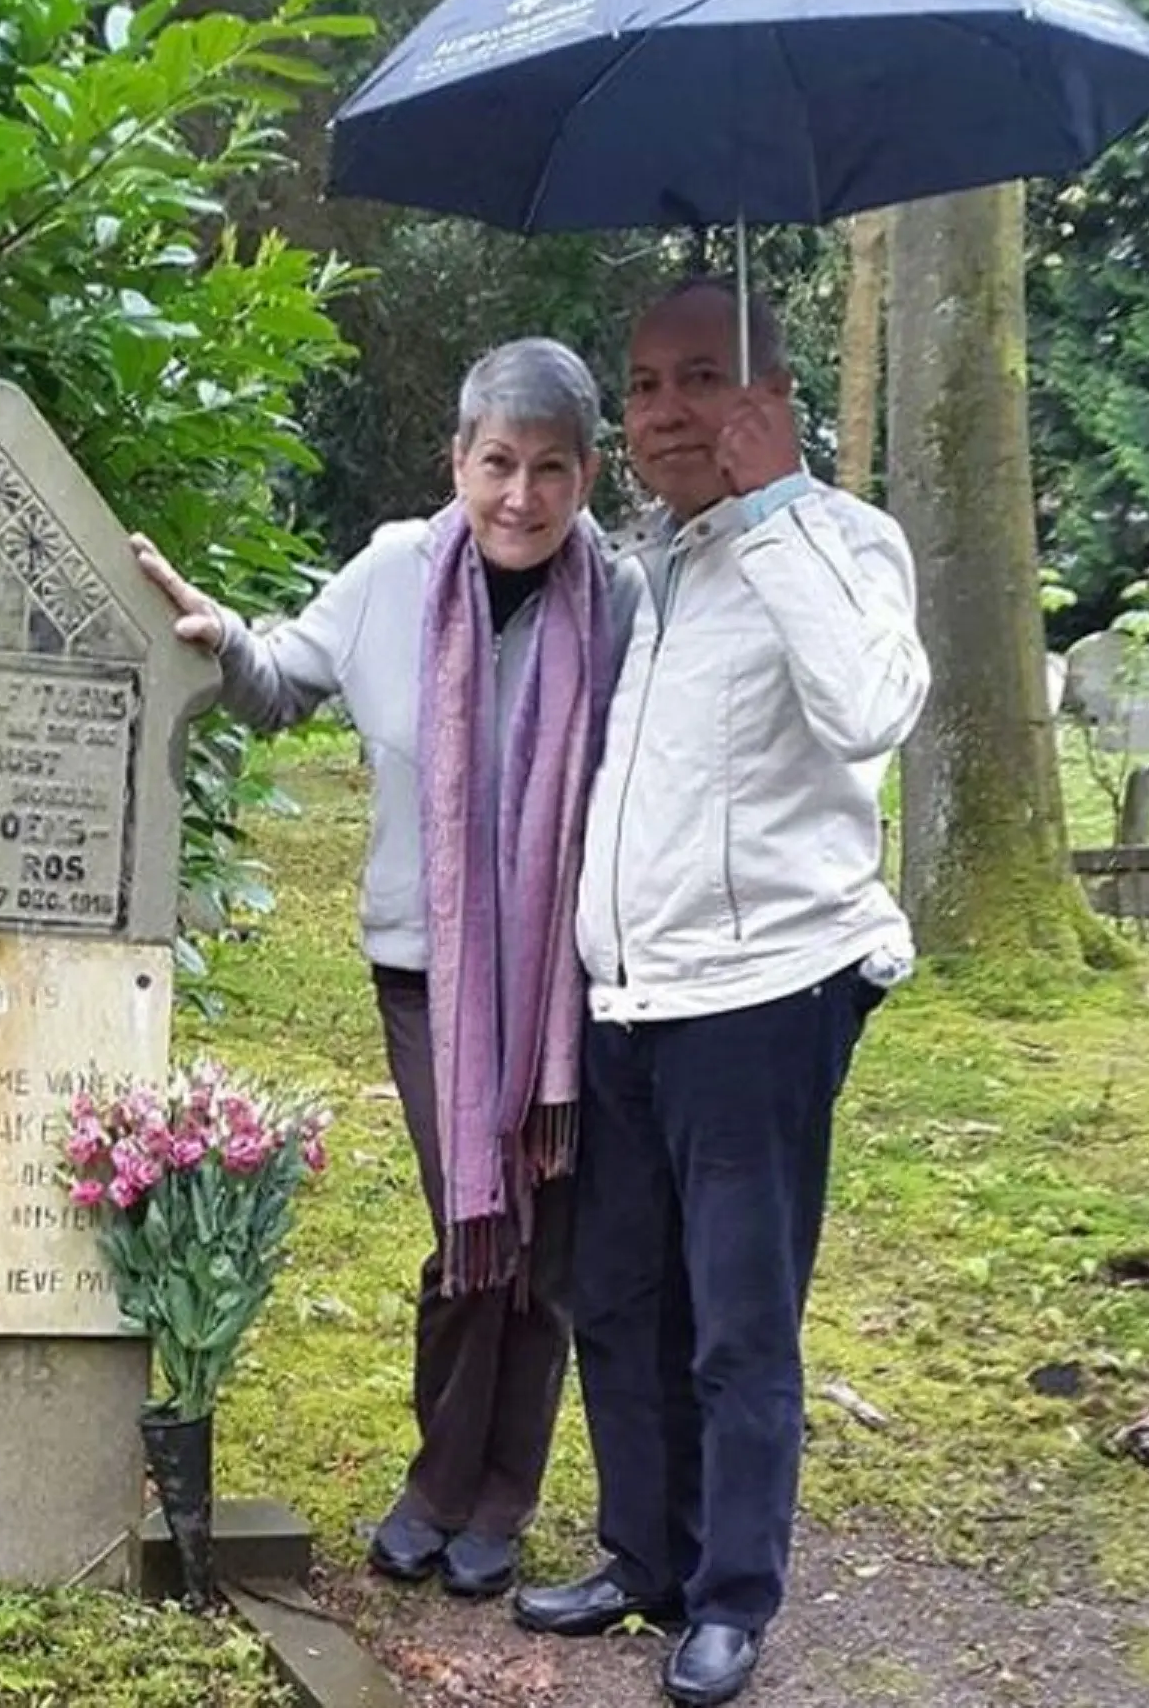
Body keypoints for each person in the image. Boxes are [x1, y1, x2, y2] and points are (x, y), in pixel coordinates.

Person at [133, 338, 627, 1600]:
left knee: (549, 1238)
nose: (521, 496)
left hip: (574, 992)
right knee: (475, 1218)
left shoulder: (619, 598)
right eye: (498, 463)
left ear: (586, 475)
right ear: (457, 460)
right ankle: (436, 1480)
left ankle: (499, 1499)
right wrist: (216, 633)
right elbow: (286, 684)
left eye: (551, 470)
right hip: (429, 973)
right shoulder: (394, 574)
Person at [512, 279, 930, 1708]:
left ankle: (732, 1595)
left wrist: (770, 509)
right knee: (619, 1299)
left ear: (771, 399)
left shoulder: (843, 541)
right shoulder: (662, 563)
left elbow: (868, 711)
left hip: (761, 997)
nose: (662, 411)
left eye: (699, 378)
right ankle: (643, 1555)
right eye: (642, 386)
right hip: (629, 997)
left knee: (737, 1315)